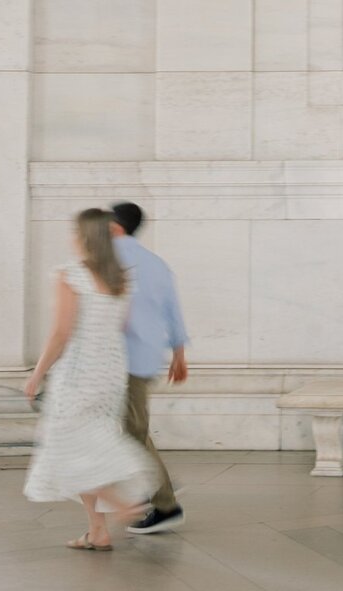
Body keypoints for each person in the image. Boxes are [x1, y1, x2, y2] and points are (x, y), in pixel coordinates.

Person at [23, 208, 157, 551]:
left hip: (79, 372)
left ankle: (123, 503)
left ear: (83, 237)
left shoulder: (70, 275)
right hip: (111, 372)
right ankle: (97, 531)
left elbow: (61, 332)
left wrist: (37, 373)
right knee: (88, 444)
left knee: (65, 444)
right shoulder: (122, 279)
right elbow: (122, 326)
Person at [110, 201, 189, 534]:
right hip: (146, 357)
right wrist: (179, 355)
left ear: (114, 227)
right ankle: (153, 485)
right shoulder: (156, 263)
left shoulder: (107, 260)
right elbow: (173, 311)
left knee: (133, 431)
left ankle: (164, 501)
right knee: (132, 427)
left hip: (117, 358)